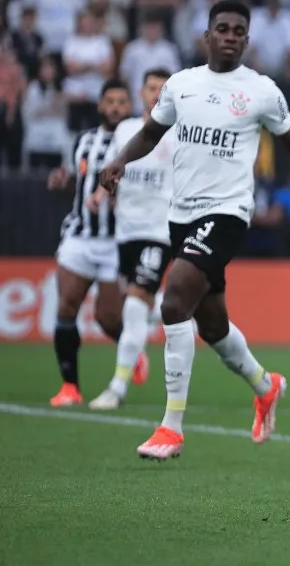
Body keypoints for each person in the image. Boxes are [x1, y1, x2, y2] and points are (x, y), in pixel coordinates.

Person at [100, 0, 290, 460]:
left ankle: (171, 427)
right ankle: (265, 386)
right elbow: (151, 133)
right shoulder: (181, 85)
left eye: (238, 31)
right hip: (181, 215)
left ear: (246, 40)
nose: (230, 36)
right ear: (207, 35)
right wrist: (118, 162)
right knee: (212, 325)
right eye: (223, 28)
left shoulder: (261, 91)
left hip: (227, 212)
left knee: (173, 302)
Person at [88, 68, 176, 409]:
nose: (156, 93)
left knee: (136, 303)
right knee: (135, 304)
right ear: (141, 93)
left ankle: (118, 386)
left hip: (159, 232)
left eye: (162, 88)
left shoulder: (178, 132)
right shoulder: (125, 129)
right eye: (151, 87)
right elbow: (114, 168)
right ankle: (169, 307)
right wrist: (99, 193)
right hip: (126, 233)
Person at [46, 78, 136, 406]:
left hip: (116, 240)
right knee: (66, 306)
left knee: (108, 318)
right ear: (100, 105)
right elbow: (76, 178)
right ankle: (70, 386)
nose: (114, 107)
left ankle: (131, 351)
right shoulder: (83, 141)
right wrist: (63, 180)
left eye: (121, 102)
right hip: (80, 235)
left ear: (130, 106)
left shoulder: (138, 143)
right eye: (109, 101)